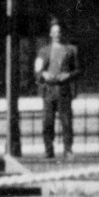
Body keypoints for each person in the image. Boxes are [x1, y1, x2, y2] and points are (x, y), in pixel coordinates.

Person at [33, 18, 80, 160]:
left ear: (62, 34)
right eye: (54, 32)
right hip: (48, 91)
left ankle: (68, 150)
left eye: (59, 32)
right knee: (48, 122)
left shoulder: (71, 50)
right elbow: (37, 72)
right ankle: (49, 150)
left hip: (64, 90)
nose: (56, 35)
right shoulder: (43, 51)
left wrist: (68, 75)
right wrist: (43, 75)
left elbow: (78, 70)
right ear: (50, 34)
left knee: (66, 121)